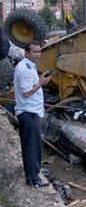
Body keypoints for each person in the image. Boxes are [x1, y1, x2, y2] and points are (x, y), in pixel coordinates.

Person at [13, 41, 50, 187]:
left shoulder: (30, 66)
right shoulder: (25, 69)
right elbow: (27, 92)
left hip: (33, 111)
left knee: (34, 145)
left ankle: (35, 171)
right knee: (31, 146)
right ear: (27, 53)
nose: (38, 54)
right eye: (34, 52)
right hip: (28, 113)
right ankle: (33, 178)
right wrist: (40, 83)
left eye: (39, 51)